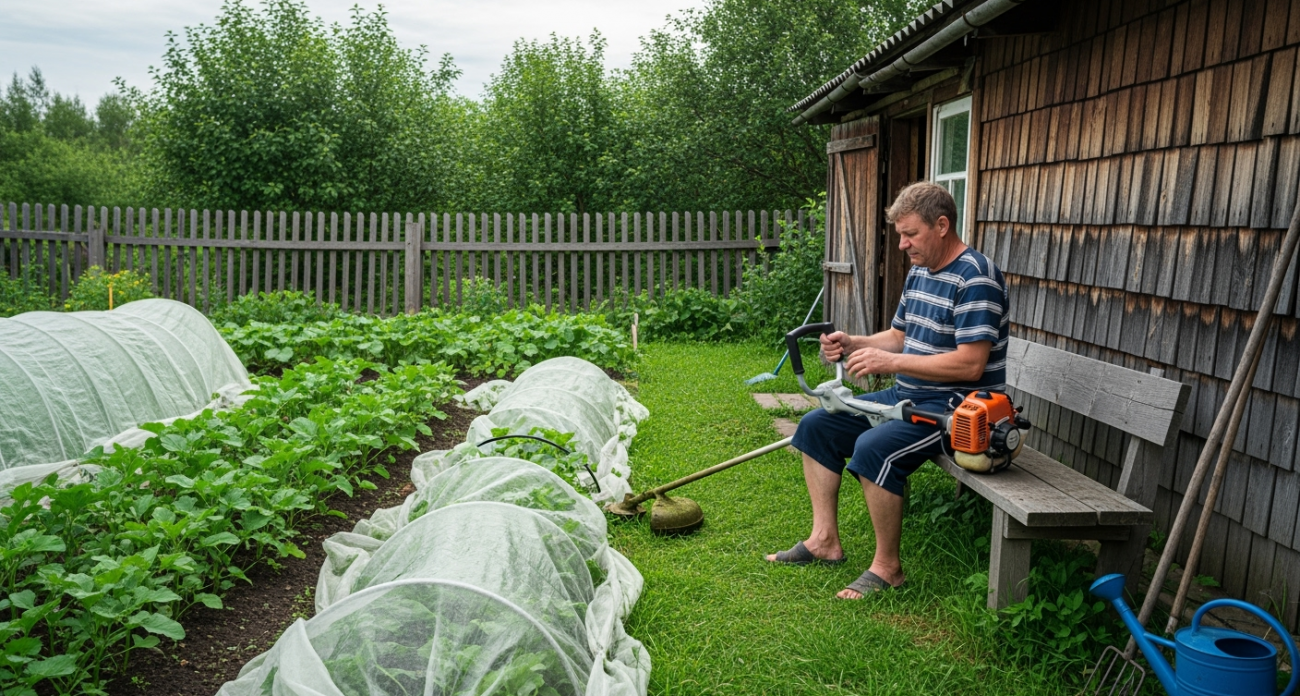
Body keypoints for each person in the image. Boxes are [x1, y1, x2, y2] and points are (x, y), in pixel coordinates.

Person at [765, 181, 1010, 599]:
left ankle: (888, 568)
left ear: (942, 226)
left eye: (910, 234)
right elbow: (899, 336)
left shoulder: (975, 277)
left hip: (957, 410)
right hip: (908, 396)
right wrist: (853, 343)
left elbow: (971, 365)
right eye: (900, 234)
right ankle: (824, 541)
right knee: (817, 425)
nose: (902, 244)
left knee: (873, 448)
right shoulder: (921, 271)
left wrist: (891, 363)